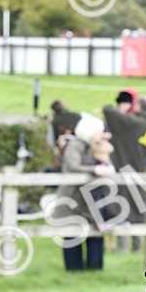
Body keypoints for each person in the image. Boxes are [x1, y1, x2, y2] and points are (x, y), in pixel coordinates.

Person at [50, 115, 115, 271]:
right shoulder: (75, 145)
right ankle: (74, 269)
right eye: (98, 132)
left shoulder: (92, 145)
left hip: (88, 199)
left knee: (94, 233)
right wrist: (95, 170)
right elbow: (73, 166)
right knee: (72, 234)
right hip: (72, 199)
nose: (101, 135)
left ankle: (94, 268)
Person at [102, 90, 146, 252]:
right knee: (139, 210)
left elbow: (107, 109)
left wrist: (122, 110)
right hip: (141, 171)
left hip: (124, 170)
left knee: (122, 209)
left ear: (137, 106)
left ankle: (123, 249)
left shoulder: (133, 122)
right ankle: (137, 249)